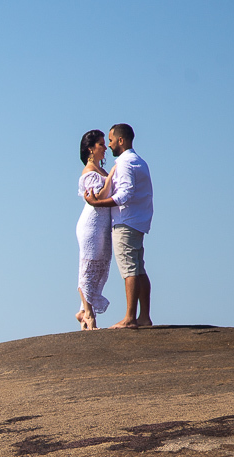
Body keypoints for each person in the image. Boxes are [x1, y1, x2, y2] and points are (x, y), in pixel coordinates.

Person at [83, 123, 153, 328]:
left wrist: (98, 203)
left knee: (129, 269)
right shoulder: (139, 161)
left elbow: (124, 194)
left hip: (125, 221)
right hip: (139, 221)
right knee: (139, 268)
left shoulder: (124, 163)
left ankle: (130, 318)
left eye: (111, 140)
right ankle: (144, 317)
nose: (110, 145)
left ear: (121, 140)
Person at [75, 130, 113, 330]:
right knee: (88, 266)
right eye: (100, 144)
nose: (104, 147)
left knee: (101, 268)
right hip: (91, 225)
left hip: (104, 226)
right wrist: (113, 174)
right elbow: (97, 197)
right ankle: (89, 314)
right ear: (91, 149)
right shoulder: (89, 172)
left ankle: (83, 310)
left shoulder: (101, 171)